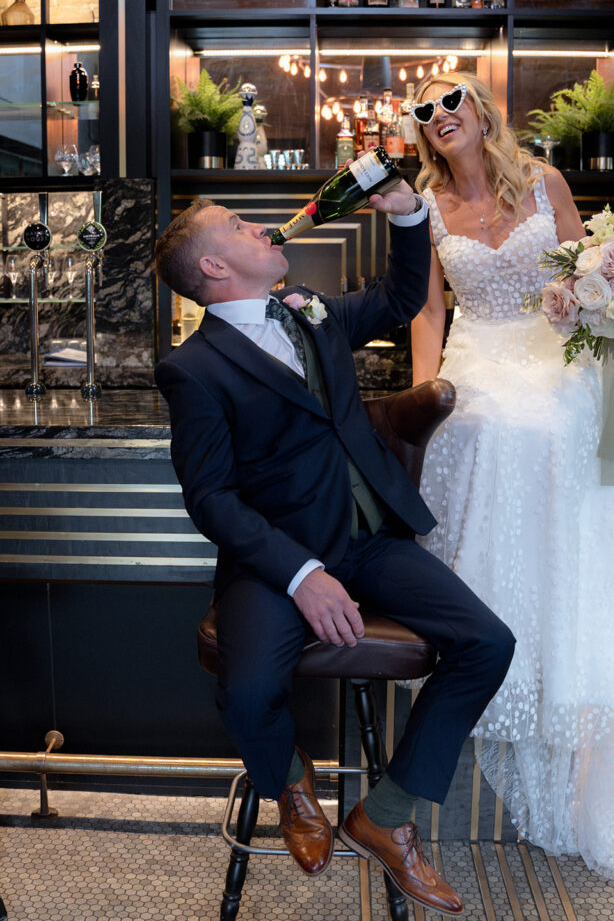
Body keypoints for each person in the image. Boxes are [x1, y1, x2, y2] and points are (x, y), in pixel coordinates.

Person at [153, 183, 515, 916]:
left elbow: (402, 295)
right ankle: (288, 777)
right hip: (276, 558)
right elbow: (212, 498)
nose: (258, 224)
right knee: (250, 691)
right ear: (215, 269)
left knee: (487, 641)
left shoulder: (311, 313)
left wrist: (409, 215)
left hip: (369, 537)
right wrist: (301, 573)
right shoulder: (192, 368)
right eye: (236, 224)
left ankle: (385, 813)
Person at [409, 72, 614, 881]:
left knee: (608, 436)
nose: (438, 116)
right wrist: (421, 396)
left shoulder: (543, 180)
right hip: (482, 356)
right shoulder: (423, 205)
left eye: (450, 100)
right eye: (422, 109)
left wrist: (600, 304)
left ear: (479, 110)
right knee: (492, 430)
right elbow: (428, 308)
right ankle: (499, 644)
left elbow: (586, 275)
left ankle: (585, 635)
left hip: (553, 352)